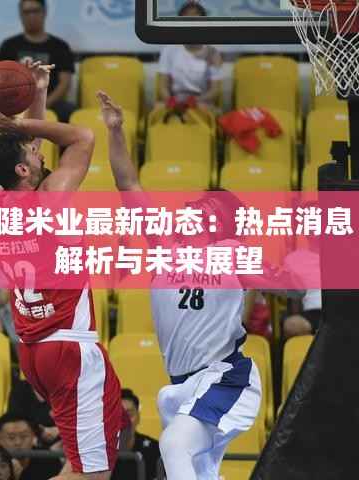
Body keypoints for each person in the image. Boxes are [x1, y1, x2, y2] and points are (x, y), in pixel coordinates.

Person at [98, 91, 262, 480]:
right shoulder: (165, 245)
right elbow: (128, 183)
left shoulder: (233, 252)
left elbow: (278, 279)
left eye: (206, 207)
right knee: (198, 470)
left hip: (225, 376)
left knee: (174, 445)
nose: (194, 208)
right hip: (183, 386)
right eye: (195, 204)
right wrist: (116, 131)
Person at [0, 60, 124, 480]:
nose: (40, 152)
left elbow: (25, 154)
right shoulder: (51, 198)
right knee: (93, 474)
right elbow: (83, 137)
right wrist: (17, 123)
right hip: (69, 348)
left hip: (33, 350)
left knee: (78, 466)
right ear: (23, 169)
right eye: (32, 152)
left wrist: (37, 94)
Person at [0, 0, 75, 122]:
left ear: (45, 12)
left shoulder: (60, 47)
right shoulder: (9, 46)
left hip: (50, 103)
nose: (31, 16)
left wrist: (43, 104)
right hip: (16, 103)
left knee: (69, 111)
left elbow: (64, 83)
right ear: (20, 15)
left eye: (35, 11)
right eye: (26, 12)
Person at [157, 1, 223, 111]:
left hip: (201, 102)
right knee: (158, 109)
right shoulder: (169, 49)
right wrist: (171, 101)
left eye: (195, 18)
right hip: (174, 100)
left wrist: (195, 101)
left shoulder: (213, 52)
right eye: (187, 19)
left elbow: (214, 90)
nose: (192, 23)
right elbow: (162, 87)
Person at [112, 389, 160, 480]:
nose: (125, 422)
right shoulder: (97, 454)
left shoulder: (155, 450)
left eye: (129, 415)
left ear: (138, 417)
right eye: (118, 415)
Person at [0, 412, 62, 480]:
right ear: (0, 439)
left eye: (24, 436)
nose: (18, 442)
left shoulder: (49, 460)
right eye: (11, 437)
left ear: (33, 436)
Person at [7, 379, 61, 450]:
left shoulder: (65, 389)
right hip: (29, 444)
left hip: (62, 444)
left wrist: (59, 430)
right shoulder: (20, 389)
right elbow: (13, 420)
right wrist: (35, 433)